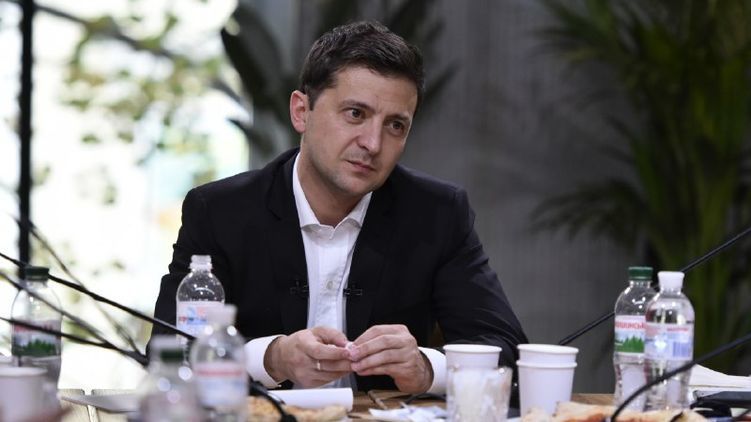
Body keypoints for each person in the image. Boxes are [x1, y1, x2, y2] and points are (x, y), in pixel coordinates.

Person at [150, 20, 527, 394]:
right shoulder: (220, 212)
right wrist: (271, 358)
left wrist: (425, 368)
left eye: (395, 125)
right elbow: (169, 354)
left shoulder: (436, 214)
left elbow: (507, 353)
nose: (373, 144)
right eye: (355, 114)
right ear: (301, 111)